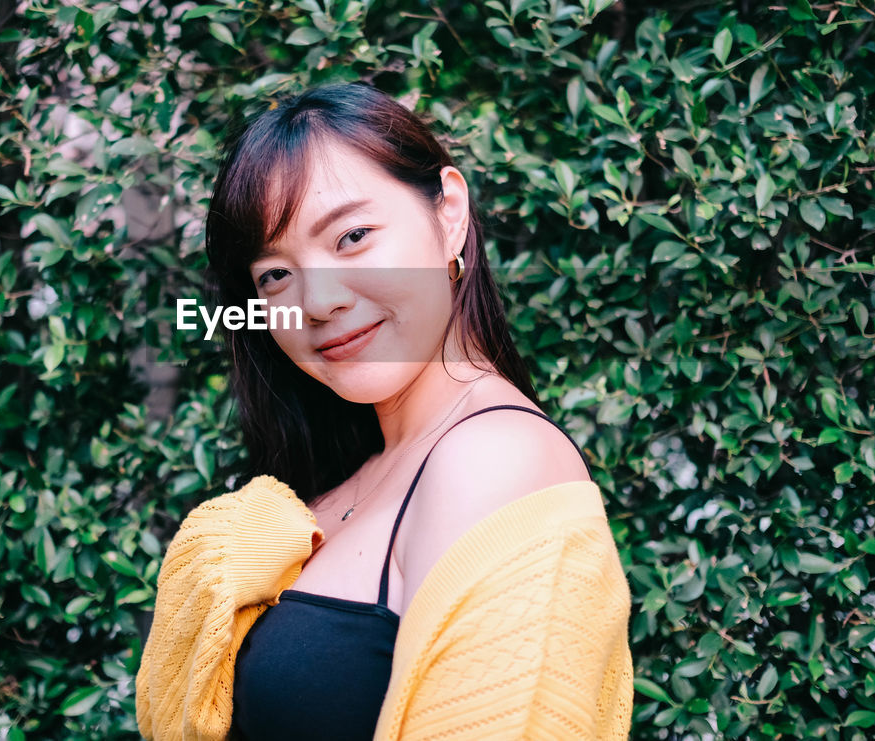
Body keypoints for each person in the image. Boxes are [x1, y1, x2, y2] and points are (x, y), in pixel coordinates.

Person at [135, 82, 633, 740]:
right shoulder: (345, 482)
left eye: (352, 236)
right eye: (275, 274)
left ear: (448, 213)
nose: (317, 301)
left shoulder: (493, 457)